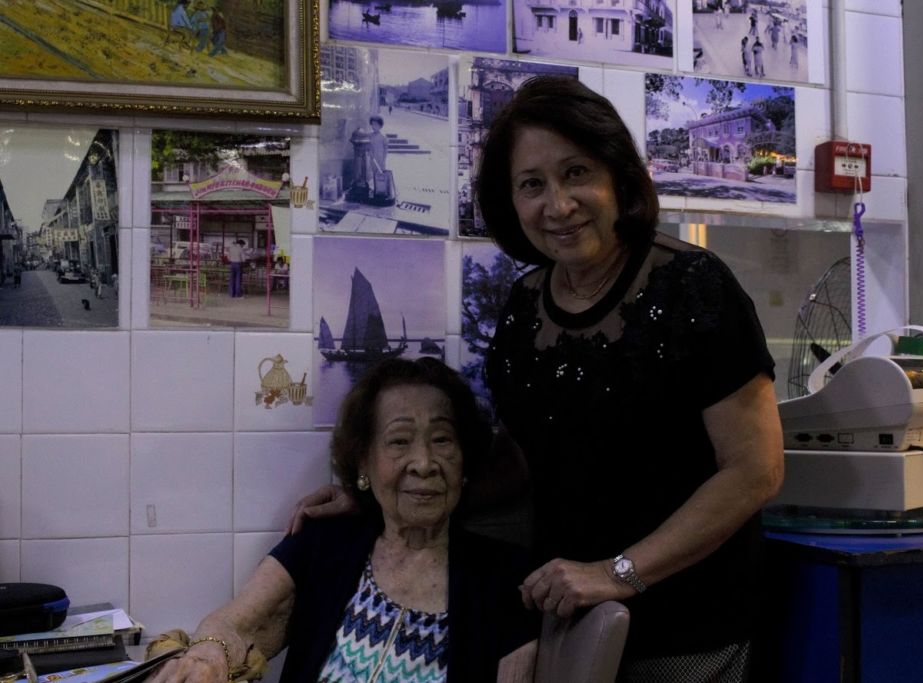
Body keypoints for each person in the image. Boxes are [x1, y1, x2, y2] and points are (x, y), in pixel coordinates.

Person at [292, 77, 784, 683]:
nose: (558, 205)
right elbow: (523, 461)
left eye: (576, 173)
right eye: (532, 185)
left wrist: (617, 572)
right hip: (560, 611)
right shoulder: (525, 305)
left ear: (617, 176)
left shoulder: (695, 286)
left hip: (685, 625)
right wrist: (380, 494)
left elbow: (755, 471)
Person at [148, 358, 538, 683]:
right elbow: (236, 623)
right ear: (364, 462)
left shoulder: (509, 579)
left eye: (442, 440)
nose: (424, 463)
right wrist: (206, 657)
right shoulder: (322, 543)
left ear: (465, 459)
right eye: (400, 441)